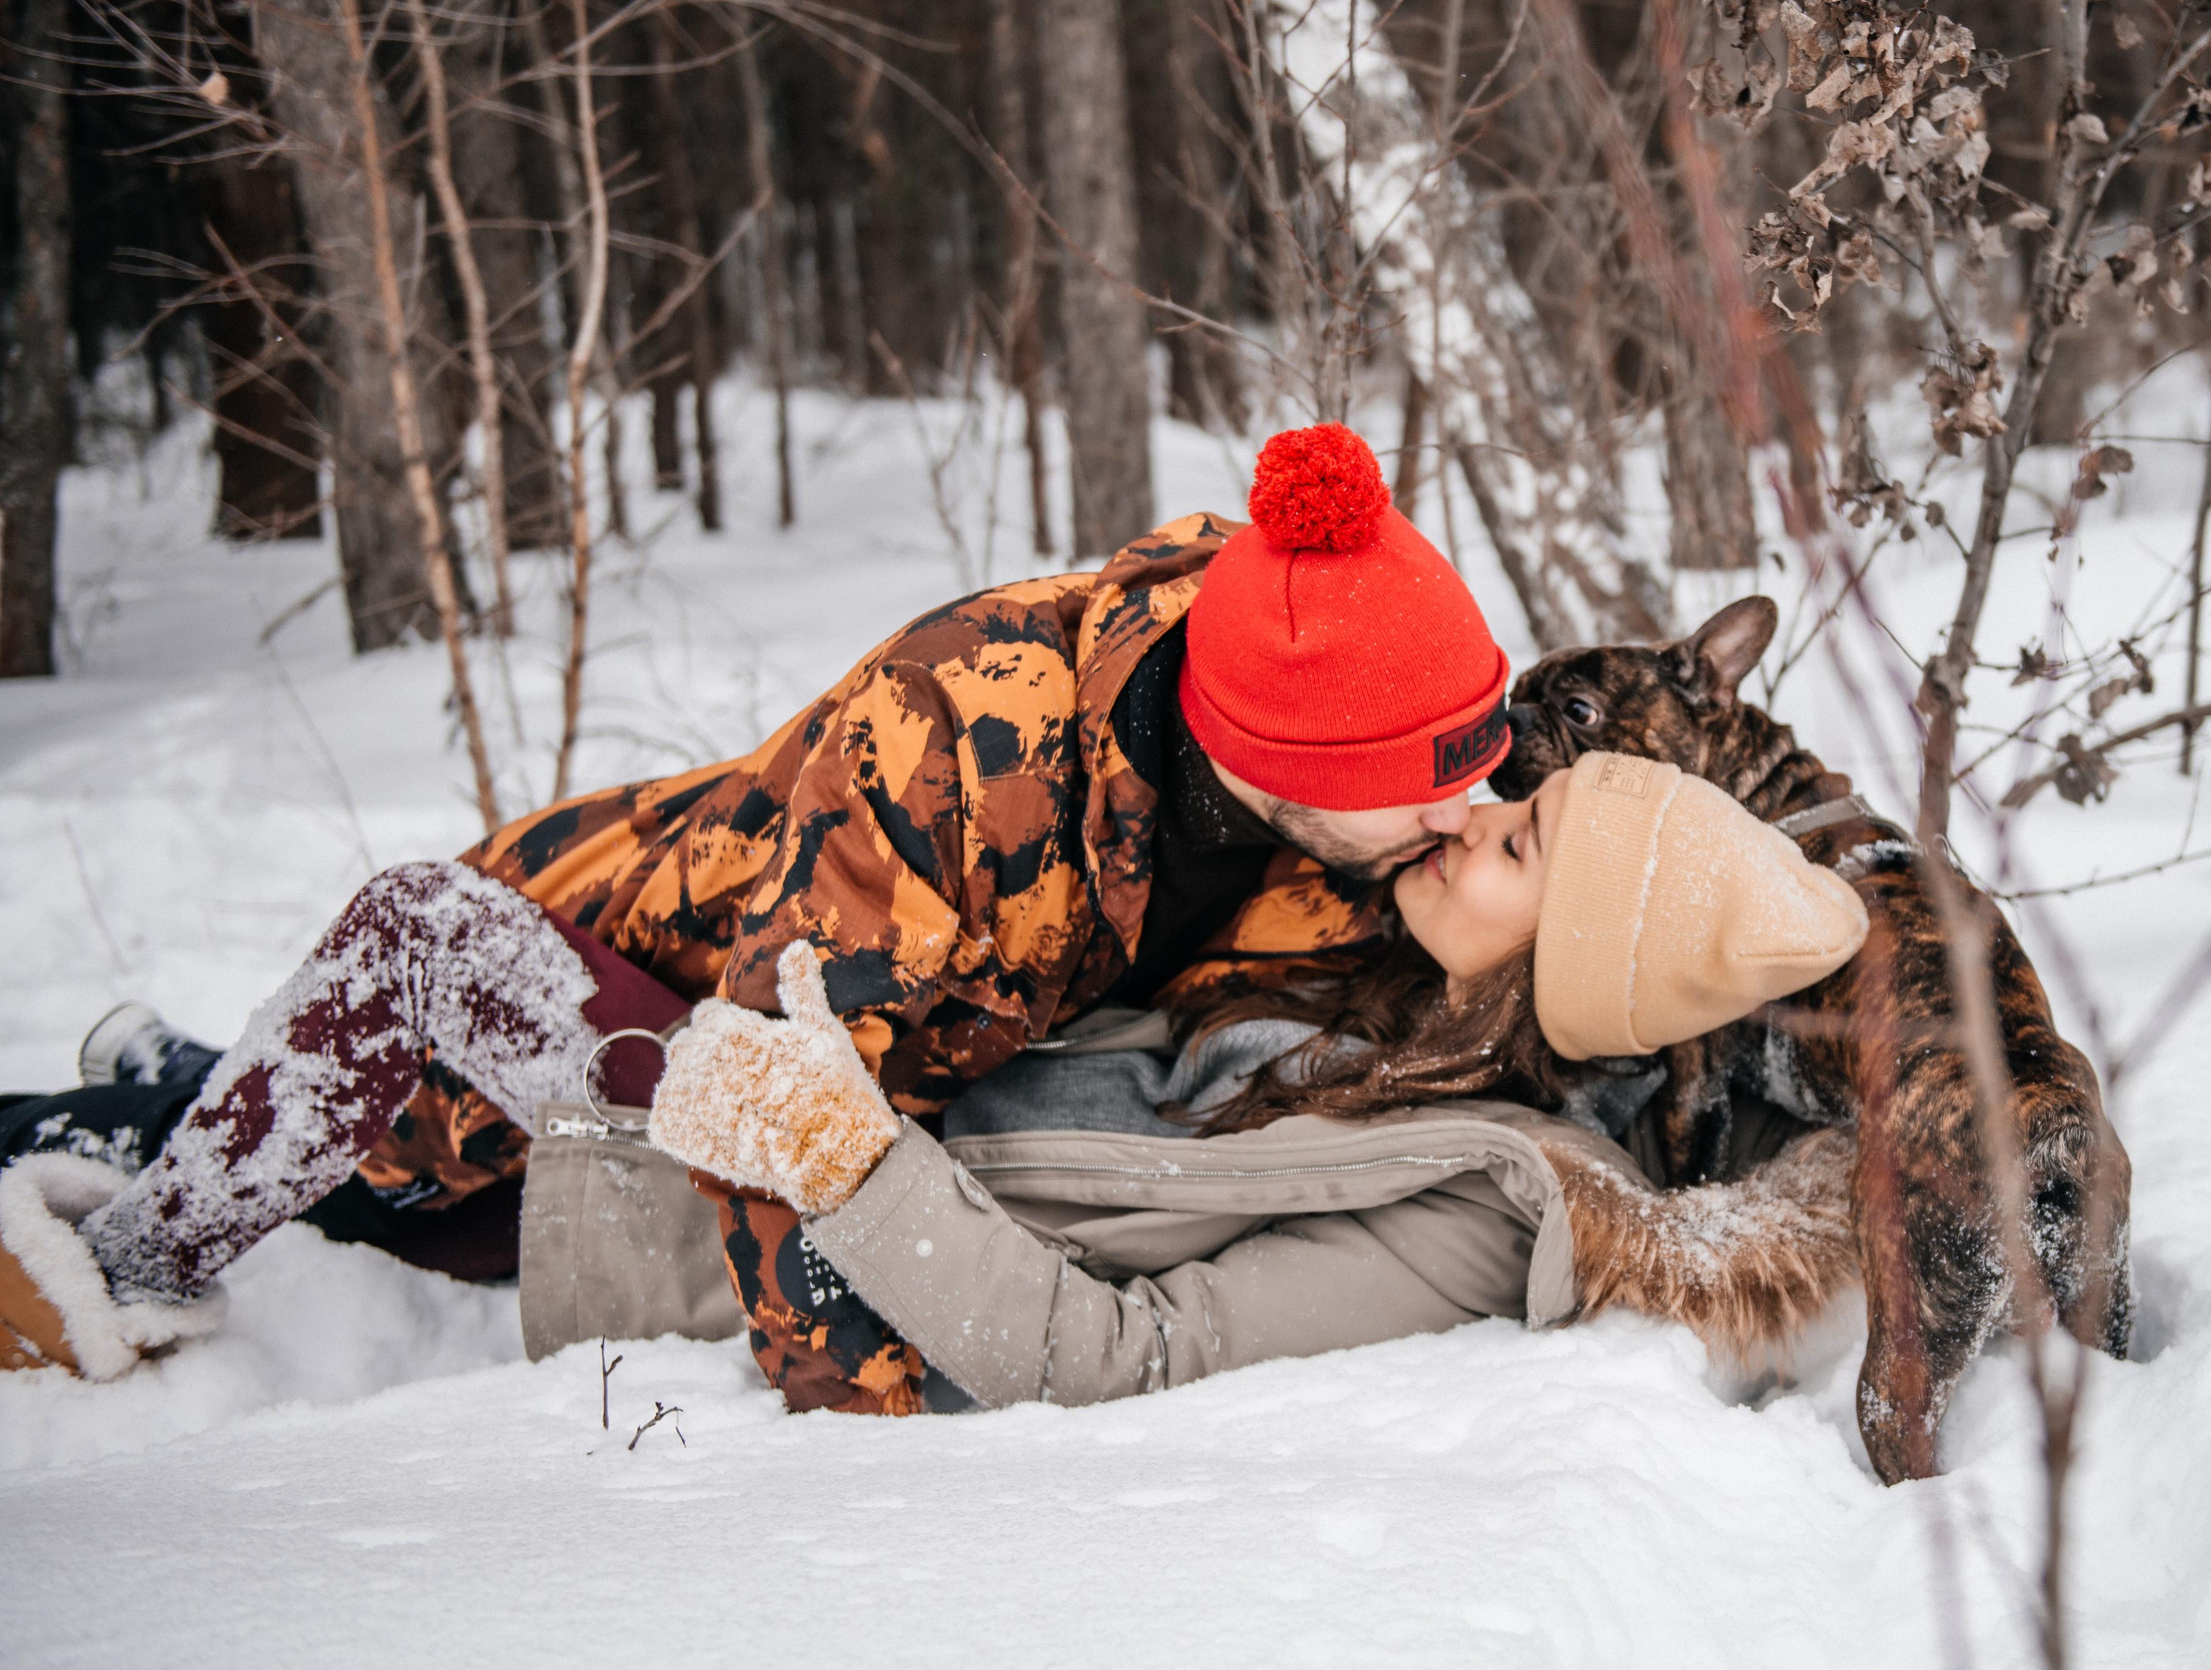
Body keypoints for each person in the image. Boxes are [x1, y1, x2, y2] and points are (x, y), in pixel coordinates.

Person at [1, 421, 1517, 1389]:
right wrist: (867, 1392)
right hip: (611, 986)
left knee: (360, 1184)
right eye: (1437, 782)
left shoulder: (1325, 746)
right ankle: (116, 1258)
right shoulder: (956, 739)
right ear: (1276, 765)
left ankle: (170, 1072)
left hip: (778, 1071)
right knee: (383, 1176)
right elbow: (765, 1092)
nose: (1476, 808)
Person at [5, 750, 1869, 1405]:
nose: (1470, 826)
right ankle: (159, 1101)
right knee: (357, 1140)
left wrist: (839, 1152)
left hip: (779, 1204)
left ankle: (134, 1263)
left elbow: (1114, 1358)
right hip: (833, 1089)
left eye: (1519, 848)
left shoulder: (1475, 1206)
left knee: (430, 938)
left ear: (1582, 976)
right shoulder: (1386, 960)